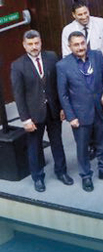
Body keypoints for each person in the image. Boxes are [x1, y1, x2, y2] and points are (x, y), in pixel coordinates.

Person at [60, 2, 103, 156]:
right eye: (80, 14)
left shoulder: (101, 23)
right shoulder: (68, 30)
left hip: (102, 70)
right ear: (73, 15)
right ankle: (92, 145)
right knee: (88, 109)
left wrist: (97, 65)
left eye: (86, 13)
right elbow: (67, 55)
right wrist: (83, 69)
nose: (84, 17)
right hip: (80, 75)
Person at [57, 31, 103, 192]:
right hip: (79, 114)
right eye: (76, 45)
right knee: (83, 147)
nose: (80, 47)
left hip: (100, 109)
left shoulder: (97, 56)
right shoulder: (63, 65)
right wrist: (70, 117)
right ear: (70, 46)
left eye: (82, 43)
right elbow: (63, 95)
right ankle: (86, 176)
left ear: (86, 43)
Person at [11, 30, 70, 192]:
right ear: (24, 45)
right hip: (33, 115)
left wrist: (63, 108)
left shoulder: (51, 57)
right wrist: (25, 119)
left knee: (57, 142)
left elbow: (59, 85)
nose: (34, 47)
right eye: (30, 44)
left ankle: (61, 172)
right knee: (34, 147)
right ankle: (38, 177)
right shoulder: (17, 65)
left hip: (53, 110)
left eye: (36, 43)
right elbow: (19, 95)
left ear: (41, 42)